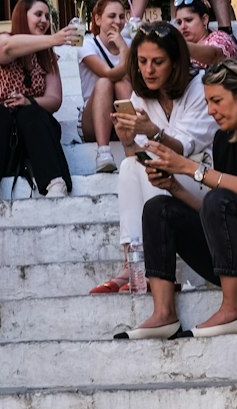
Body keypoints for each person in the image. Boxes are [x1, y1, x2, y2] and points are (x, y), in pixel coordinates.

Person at [125, 59, 237, 338]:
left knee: (220, 199)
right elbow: (214, 216)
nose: (211, 111)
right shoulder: (224, 141)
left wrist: (190, 167)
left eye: (217, 101)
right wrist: (175, 187)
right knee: (158, 208)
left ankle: (233, 308)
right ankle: (164, 313)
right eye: (208, 102)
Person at [91, 21, 216, 297]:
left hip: (200, 178)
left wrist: (153, 132)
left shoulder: (200, 88)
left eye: (157, 62)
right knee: (128, 165)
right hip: (164, 180)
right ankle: (132, 263)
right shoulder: (141, 96)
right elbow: (137, 156)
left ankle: (157, 269)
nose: (148, 70)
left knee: (154, 166)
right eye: (143, 61)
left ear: (175, 62)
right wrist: (126, 139)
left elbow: (183, 147)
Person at [0, 0, 80, 202]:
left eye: (47, 16)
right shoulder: (1, 41)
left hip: (26, 137)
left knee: (32, 112)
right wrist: (53, 39)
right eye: (38, 14)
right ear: (22, 17)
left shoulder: (47, 57)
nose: (44, 20)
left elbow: (54, 99)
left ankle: (54, 181)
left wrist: (29, 101)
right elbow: (7, 49)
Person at [77, 0, 132, 173]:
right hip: (94, 120)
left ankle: (134, 145)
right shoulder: (87, 45)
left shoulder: (129, 44)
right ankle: (103, 153)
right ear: (98, 19)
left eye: (121, 16)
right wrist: (125, 49)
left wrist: (123, 46)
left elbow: (134, 83)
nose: (118, 21)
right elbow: (108, 73)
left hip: (122, 115)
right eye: (112, 16)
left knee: (123, 84)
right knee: (105, 82)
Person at [172, 0, 237, 67]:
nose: (183, 26)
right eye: (179, 22)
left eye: (188, 20)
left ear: (204, 19)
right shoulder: (179, 50)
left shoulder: (221, 37)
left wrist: (181, 44)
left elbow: (214, 56)